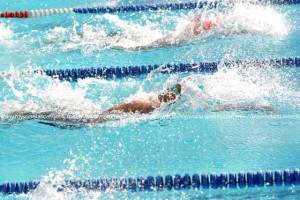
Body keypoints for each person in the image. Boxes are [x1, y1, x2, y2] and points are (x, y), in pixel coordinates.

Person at [4, 84, 182, 126]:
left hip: (87, 115)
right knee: (32, 113)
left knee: (34, 112)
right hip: (84, 119)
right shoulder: (146, 105)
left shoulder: (146, 102)